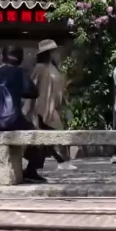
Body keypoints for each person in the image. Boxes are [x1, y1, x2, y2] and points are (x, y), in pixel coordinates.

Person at [0, 45, 43, 182]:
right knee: (39, 138)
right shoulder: (20, 73)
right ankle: (31, 169)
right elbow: (34, 93)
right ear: (20, 59)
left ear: (2, 57)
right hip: (12, 121)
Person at [26, 40, 72, 169]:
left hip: (52, 107)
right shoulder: (40, 68)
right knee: (51, 135)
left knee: (47, 137)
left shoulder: (52, 67)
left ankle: (35, 166)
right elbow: (31, 86)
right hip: (42, 107)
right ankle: (61, 161)